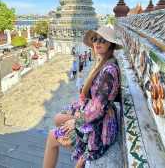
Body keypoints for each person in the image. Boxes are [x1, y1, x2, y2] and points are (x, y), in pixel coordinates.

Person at [43, 26, 123, 168]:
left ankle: (82, 150)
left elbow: (98, 110)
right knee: (58, 119)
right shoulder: (103, 62)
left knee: (51, 136)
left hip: (99, 128)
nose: (97, 42)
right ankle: (77, 148)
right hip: (95, 114)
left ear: (110, 43)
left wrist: (76, 122)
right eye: (95, 39)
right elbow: (96, 99)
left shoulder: (109, 71)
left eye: (102, 40)